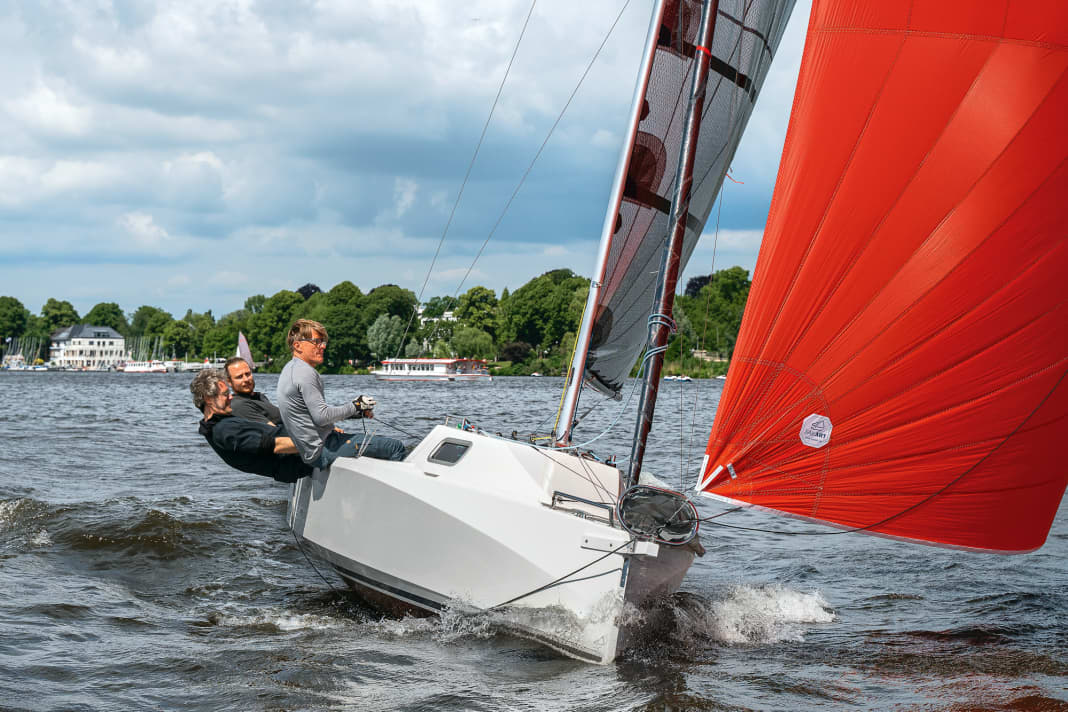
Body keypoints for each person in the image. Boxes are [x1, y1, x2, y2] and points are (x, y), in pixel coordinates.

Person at [277, 319, 406, 468]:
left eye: (323, 342)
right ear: (297, 345)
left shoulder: (290, 369)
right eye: (317, 341)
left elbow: (312, 415)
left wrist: (357, 412)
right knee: (395, 447)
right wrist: (356, 405)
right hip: (324, 450)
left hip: (313, 452)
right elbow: (322, 417)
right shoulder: (305, 373)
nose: (323, 346)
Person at [191, 368, 312, 483]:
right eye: (225, 394)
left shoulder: (220, 424)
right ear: (208, 399)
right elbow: (274, 445)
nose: (231, 397)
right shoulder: (224, 430)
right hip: (302, 460)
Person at [224, 356, 282, 424]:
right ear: (229, 382)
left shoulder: (260, 396)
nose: (246, 379)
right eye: (239, 377)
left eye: (248, 374)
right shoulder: (239, 406)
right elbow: (272, 430)